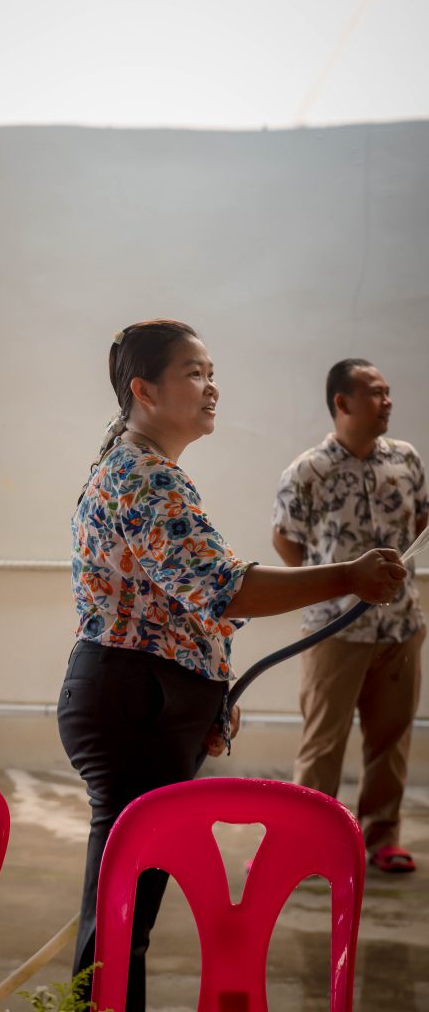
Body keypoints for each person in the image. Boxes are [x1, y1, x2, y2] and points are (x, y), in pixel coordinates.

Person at [58, 324, 405, 1012]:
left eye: (211, 371)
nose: (211, 387)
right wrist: (348, 576)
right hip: (132, 702)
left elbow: (180, 601)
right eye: (193, 373)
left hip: (142, 697)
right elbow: (224, 587)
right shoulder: (142, 475)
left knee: (124, 910)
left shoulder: (142, 465)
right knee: (122, 914)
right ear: (144, 390)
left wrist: (205, 680)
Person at [272, 358, 427, 874]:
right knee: (323, 742)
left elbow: (421, 521)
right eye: (376, 393)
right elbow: (286, 542)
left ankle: (383, 838)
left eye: (388, 392)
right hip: (333, 630)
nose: (387, 402)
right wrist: (331, 589)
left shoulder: (406, 459)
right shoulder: (308, 471)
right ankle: (306, 845)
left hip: (401, 626)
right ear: (342, 402)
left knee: (391, 738)